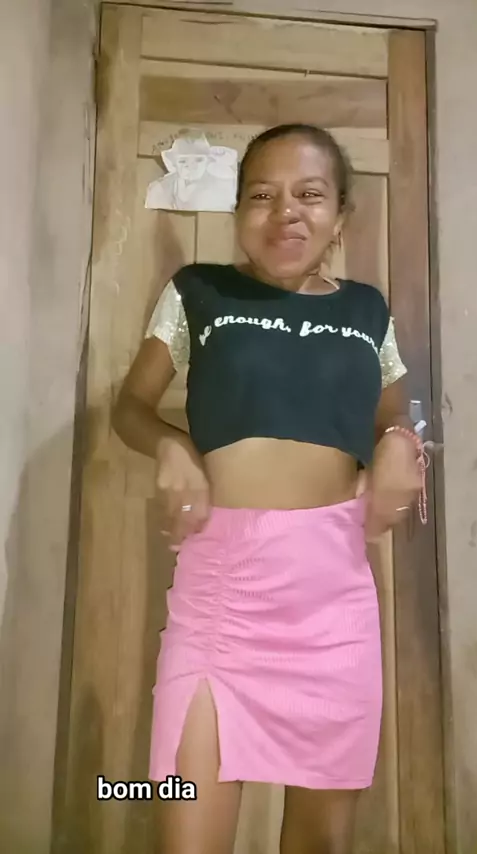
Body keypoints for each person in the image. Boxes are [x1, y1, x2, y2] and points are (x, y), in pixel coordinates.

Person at [112, 124, 426, 854]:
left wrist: (397, 444)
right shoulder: (197, 292)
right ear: (238, 212)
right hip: (220, 602)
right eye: (262, 195)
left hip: (331, 607)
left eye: (309, 195)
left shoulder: (367, 311)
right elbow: (130, 407)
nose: (285, 211)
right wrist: (171, 446)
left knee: (321, 844)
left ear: (340, 216)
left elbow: (397, 413)